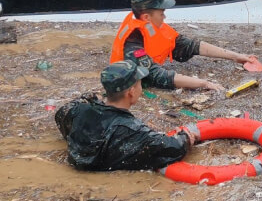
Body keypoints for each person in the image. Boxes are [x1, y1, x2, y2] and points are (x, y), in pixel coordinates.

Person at [55, 60, 200, 171]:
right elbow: (173, 147)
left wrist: (91, 97)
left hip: (79, 163)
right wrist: (186, 137)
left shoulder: (79, 110)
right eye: (139, 84)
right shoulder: (132, 130)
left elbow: (61, 113)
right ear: (131, 91)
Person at [110, 0, 258, 92]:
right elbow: (157, 76)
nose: (165, 17)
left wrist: (236, 56)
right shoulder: (132, 43)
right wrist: (204, 83)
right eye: (162, 13)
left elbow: (191, 45)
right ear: (147, 17)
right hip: (130, 86)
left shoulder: (151, 24)